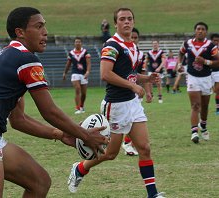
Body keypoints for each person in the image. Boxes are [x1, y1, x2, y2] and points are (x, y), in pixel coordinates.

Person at [0, 7, 108, 198]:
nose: (45, 32)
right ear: (20, 32)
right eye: (39, 26)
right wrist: (85, 135)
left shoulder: (10, 56)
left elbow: (18, 120)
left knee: (40, 182)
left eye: (45, 26)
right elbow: (49, 111)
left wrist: (61, 134)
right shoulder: (26, 59)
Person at [67, 8, 165, 198]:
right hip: (116, 106)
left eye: (129, 18)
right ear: (116, 23)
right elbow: (106, 74)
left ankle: (152, 194)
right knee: (111, 154)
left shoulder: (133, 46)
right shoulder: (111, 45)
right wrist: (132, 86)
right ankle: (80, 168)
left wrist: (146, 78)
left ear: (134, 22)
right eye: (122, 19)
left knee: (144, 148)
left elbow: (129, 74)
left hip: (132, 104)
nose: (126, 22)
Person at [178, 22, 219, 143]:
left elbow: (218, 61)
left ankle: (203, 126)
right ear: (195, 31)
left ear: (206, 32)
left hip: (206, 78)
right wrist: (180, 64)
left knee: (205, 107)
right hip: (192, 77)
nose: (200, 31)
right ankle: (194, 132)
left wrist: (205, 61)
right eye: (198, 29)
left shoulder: (211, 46)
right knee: (195, 105)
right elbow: (181, 52)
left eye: (202, 29)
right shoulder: (188, 43)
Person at [122, 27, 152, 156]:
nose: (133, 39)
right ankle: (126, 142)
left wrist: (149, 91)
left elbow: (142, 74)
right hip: (123, 93)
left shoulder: (140, 54)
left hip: (137, 91)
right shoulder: (122, 51)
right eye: (131, 37)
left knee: (135, 119)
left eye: (135, 38)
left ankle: (128, 142)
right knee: (128, 120)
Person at [63, 37, 91, 114]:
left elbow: (88, 63)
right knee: (77, 89)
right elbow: (68, 64)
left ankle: (81, 106)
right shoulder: (71, 53)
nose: (77, 43)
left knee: (84, 93)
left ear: (81, 43)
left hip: (83, 74)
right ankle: (77, 108)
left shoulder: (85, 52)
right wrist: (65, 73)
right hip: (75, 73)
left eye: (79, 42)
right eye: (76, 42)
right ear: (74, 43)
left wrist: (88, 72)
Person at [210, 33, 219, 114]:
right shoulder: (208, 49)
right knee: (208, 91)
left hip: (217, 72)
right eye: (214, 40)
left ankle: (217, 108)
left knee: (217, 90)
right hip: (208, 72)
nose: (216, 42)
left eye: (217, 40)